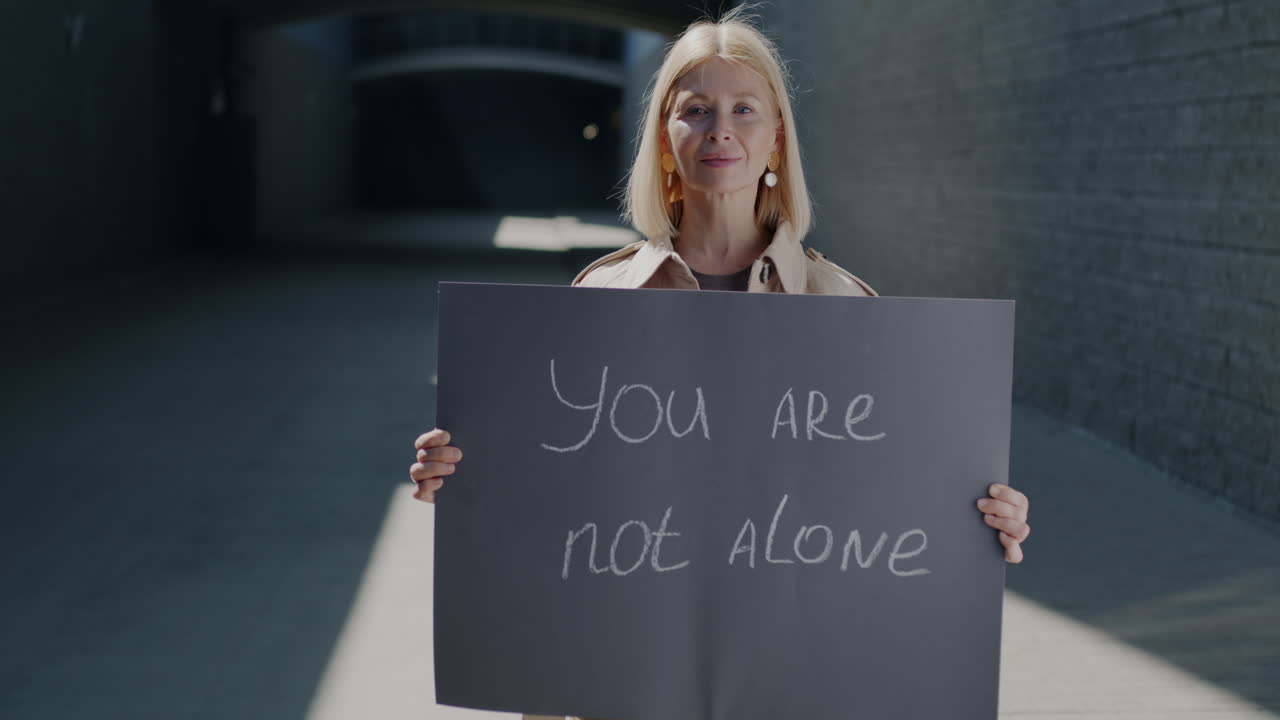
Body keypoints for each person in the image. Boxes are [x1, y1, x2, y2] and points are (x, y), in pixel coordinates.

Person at [409, 7, 1031, 719]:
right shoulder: (601, 296)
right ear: (665, 139)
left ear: (776, 140)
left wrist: (981, 520)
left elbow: (895, 500)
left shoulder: (846, 305)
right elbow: (549, 483)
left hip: (789, 682)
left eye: (744, 108)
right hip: (623, 675)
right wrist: (462, 471)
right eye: (695, 109)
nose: (719, 129)